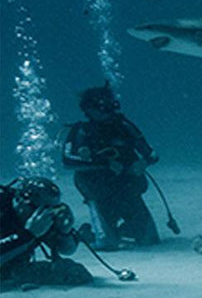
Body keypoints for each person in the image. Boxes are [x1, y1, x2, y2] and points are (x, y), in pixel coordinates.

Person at [63, 82, 160, 250]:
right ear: (88, 110)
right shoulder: (81, 131)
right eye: (101, 107)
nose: (107, 111)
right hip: (98, 190)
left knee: (149, 239)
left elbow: (152, 154)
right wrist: (104, 164)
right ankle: (87, 233)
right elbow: (67, 161)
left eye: (109, 105)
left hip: (127, 187)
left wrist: (143, 162)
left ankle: (125, 229)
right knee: (107, 244)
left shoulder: (124, 126)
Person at [1, 176, 92, 290]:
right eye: (40, 208)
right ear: (20, 201)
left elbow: (66, 250)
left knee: (75, 273)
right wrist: (28, 234)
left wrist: (65, 232)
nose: (43, 214)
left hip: (12, 268)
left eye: (52, 209)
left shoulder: (41, 216)